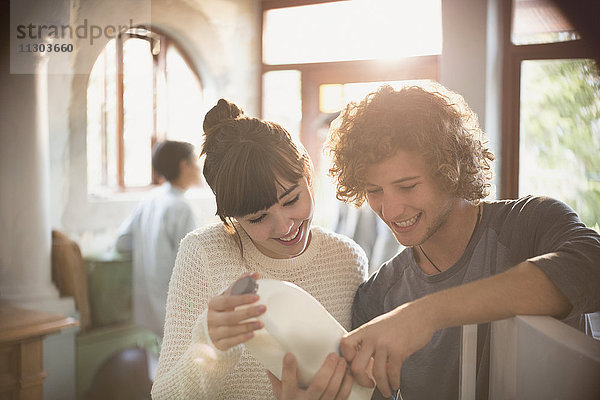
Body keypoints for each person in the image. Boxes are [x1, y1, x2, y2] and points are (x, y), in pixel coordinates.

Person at [322, 83, 600, 400]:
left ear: (449, 169)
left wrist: (423, 315)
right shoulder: (378, 295)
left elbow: (592, 268)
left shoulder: (530, 224)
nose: (391, 210)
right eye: (374, 191)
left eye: (408, 186)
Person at [151, 99, 368, 399]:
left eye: (291, 201)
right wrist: (211, 345)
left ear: (308, 174)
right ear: (232, 217)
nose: (284, 227)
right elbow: (163, 395)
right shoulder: (204, 253)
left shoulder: (347, 260)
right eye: (257, 218)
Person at [115, 140, 200, 338]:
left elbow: (122, 242)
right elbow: (191, 264)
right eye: (195, 161)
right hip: (174, 309)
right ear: (184, 165)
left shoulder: (150, 200)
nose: (198, 167)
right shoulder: (182, 208)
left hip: (146, 309)